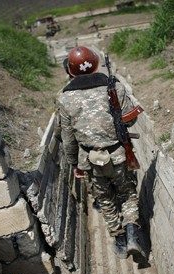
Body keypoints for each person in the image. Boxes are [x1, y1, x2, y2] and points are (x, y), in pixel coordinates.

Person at [57, 46, 146, 262]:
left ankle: (120, 240)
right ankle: (133, 232)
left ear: (70, 71)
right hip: (117, 154)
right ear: (96, 63)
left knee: (105, 199)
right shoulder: (113, 86)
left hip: (89, 160)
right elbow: (131, 119)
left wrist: (74, 164)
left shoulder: (64, 98)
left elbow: (68, 139)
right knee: (126, 193)